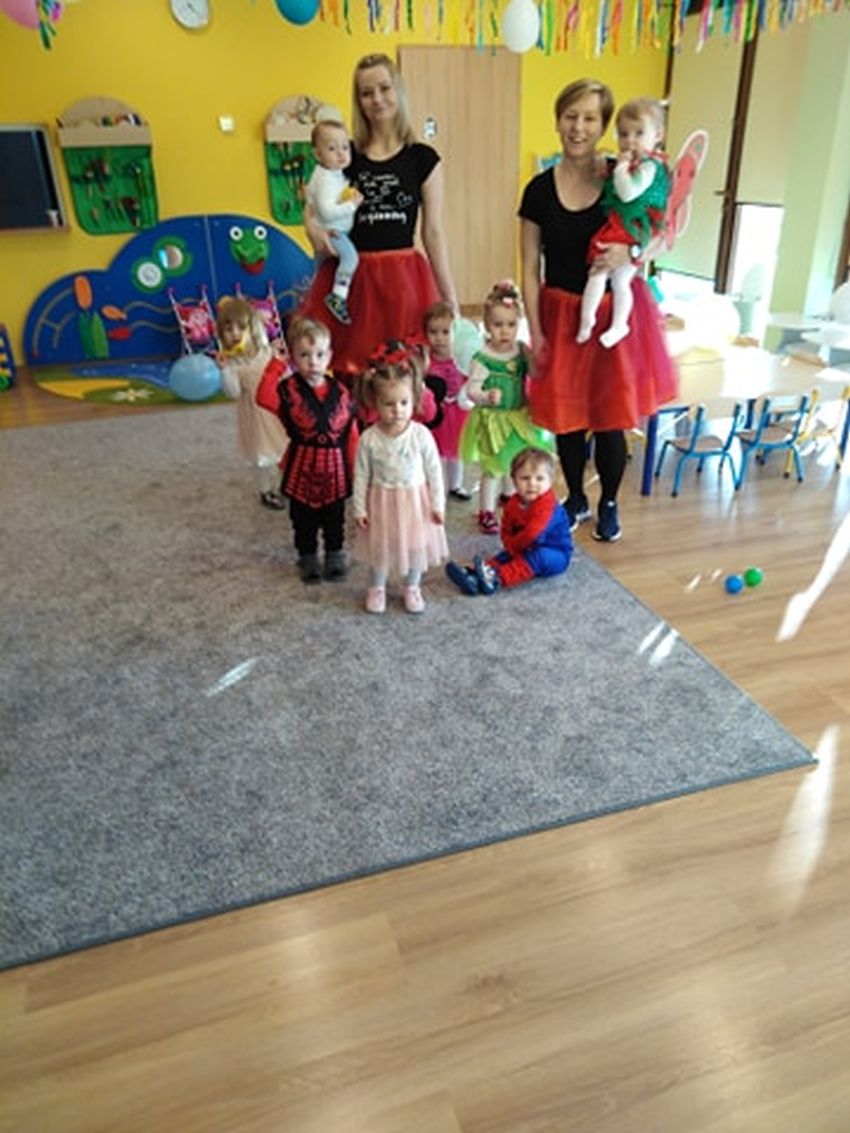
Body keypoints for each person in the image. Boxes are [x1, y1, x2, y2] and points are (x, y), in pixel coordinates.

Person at [519, 78, 678, 544]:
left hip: (615, 315)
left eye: (590, 118)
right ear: (557, 121)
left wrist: (633, 254)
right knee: (567, 417)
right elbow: (528, 267)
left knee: (611, 418)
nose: (578, 127)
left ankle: (608, 500)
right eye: (570, 116)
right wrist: (536, 331)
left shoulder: (625, 174)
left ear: (603, 125)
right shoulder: (538, 190)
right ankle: (575, 497)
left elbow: (663, 230)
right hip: (561, 313)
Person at [300, 52, 458, 379]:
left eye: (384, 88)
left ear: (398, 90)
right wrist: (311, 227)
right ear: (358, 100)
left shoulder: (422, 158)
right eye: (366, 92)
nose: (377, 99)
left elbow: (433, 232)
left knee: (403, 374)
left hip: (403, 281)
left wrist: (450, 298)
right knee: (354, 372)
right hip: (355, 278)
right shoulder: (345, 155)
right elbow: (312, 201)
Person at [255, 316, 358, 584]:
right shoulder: (287, 390)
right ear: (293, 357)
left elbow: (350, 434)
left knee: (335, 518)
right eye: (304, 355)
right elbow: (263, 398)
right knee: (303, 519)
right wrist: (276, 365)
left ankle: (335, 554)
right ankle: (307, 556)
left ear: (329, 356)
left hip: (335, 469)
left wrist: (355, 467)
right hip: (301, 467)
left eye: (320, 354)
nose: (313, 362)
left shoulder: (342, 392)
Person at [352, 339, 447, 615]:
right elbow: (361, 474)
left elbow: (434, 472)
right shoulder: (369, 438)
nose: (397, 410)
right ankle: (377, 587)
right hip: (382, 501)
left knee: (415, 546)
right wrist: (359, 508)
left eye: (404, 403)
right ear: (375, 403)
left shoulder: (421, 435)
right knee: (381, 547)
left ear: (414, 399)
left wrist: (438, 504)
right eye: (388, 404)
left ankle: (412, 586)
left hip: (415, 502)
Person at [458, 280, 553, 535]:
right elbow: (471, 389)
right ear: (487, 325)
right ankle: (486, 512)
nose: (504, 331)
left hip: (518, 418)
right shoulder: (484, 357)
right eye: (498, 325)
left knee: (517, 463)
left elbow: (534, 373)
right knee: (493, 468)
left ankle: (511, 501)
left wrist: (538, 360)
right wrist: (485, 395)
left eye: (511, 325)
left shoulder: (521, 350)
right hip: (493, 421)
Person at [577, 97, 670, 348]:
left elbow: (628, 192)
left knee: (612, 277)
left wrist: (621, 168)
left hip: (634, 229)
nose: (630, 141)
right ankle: (589, 319)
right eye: (624, 134)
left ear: (657, 135)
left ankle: (615, 324)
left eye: (639, 133)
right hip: (621, 225)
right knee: (604, 275)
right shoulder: (630, 164)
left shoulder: (650, 166)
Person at [445, 447, 572, 596]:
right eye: (525, 478)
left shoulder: (547, 506)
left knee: (539, 556)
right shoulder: (513, 503)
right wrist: (510, 545)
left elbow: (533, 533)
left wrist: (514, 546)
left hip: (556, 553)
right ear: (514, 480)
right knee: (504, 556)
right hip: (524, 547)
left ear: (550, 482)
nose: (532, 483)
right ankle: (474, 575)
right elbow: (506, 527)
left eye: (539, 479)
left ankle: (496, 579)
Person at [216, 295, 288, 510]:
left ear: (253, 329)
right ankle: (266, 491)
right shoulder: (233, 363)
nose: (235, 334)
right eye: (228, 329)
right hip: (255, 415)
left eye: (241, 327)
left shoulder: (267, 353)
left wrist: (280, 361)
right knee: (262, 455)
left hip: (277, 411)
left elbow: (285, 378)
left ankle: (285, 486)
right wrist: (225, 370)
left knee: (285, 449)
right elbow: (233, 392)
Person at [304, 118, 363, 326]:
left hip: (332, 229)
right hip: (333, 231)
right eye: (332, 148)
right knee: (350, 258)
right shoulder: (325, 178)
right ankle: (338, 295)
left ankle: (314, 300)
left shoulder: (331, 174)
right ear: (318, 154)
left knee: (320, 271)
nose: (341, 154)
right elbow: (326, 211)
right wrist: (352, 205)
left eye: (345, 147)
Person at [422, 301, 473, 501]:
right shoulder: (426, 360)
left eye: (445, 332)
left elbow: (471, 378)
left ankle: (456, 485)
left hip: (458, 412)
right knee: (436, 454)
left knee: (456, 452)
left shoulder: (461, 356)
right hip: (436, 414)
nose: (439, 338)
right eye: (433, 332)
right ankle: (436, 489)